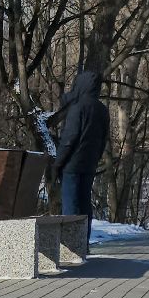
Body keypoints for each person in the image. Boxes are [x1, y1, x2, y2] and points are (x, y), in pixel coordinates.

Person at [55, 69, 110, 218]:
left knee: (71, 206)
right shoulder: (102, 110)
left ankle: (70, 233)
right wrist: (96, 158)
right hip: (90, 163)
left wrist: (58, 163)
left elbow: (69, 139)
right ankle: (85, 232)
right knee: (85, 204)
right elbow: (103, 139)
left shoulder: (77, 107)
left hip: (72, 164)